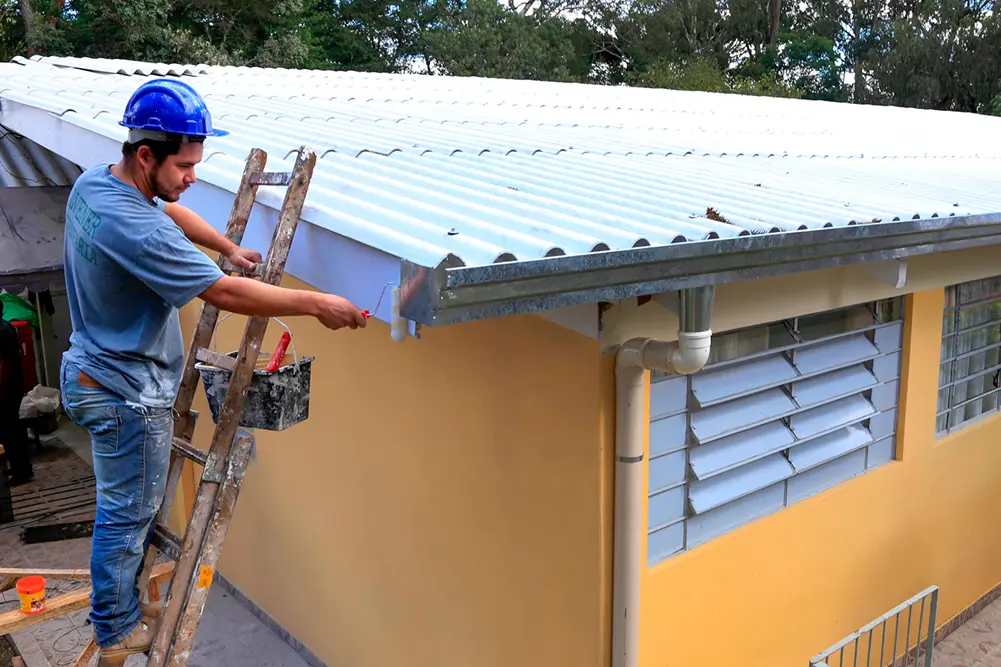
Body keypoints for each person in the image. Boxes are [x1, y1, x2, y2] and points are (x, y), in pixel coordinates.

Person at [59, 78, 367, 665]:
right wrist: (317, 302)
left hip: (91, 370)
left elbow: (170, 210)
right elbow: (225, 294)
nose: (192, 177)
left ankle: (118, 606)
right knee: (128, 518)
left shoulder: (96, 186)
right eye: (184, 165)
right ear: (145, 154)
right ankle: (116, 627)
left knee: (125, 511)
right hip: (126, 396)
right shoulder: (135, 229)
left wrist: (225, 242)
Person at [0, 301, 32, 486]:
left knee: (9, 431)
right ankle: (20, 468)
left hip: (6, 388)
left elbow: (3, 364)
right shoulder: (7, 326)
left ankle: (21, 471)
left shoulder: (2, 330)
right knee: (13, 430)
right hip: (13, 386)